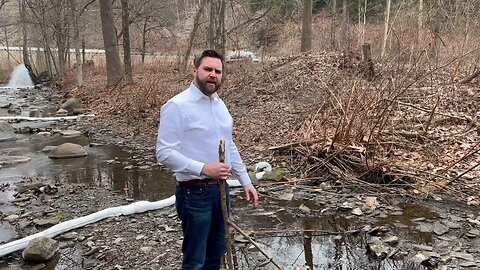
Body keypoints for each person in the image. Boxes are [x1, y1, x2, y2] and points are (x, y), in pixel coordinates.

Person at [156, 49, 259, 270]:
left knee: (215, 255)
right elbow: (164, 152)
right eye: (208, 69)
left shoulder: (220, 106)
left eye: (218, 71)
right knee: (195, 261)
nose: (213, 74)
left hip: (221, 192)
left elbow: (229, 145)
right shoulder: (177, 106)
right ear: (195, 71)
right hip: (194, 194)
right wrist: (203, 169)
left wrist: (246, 181)